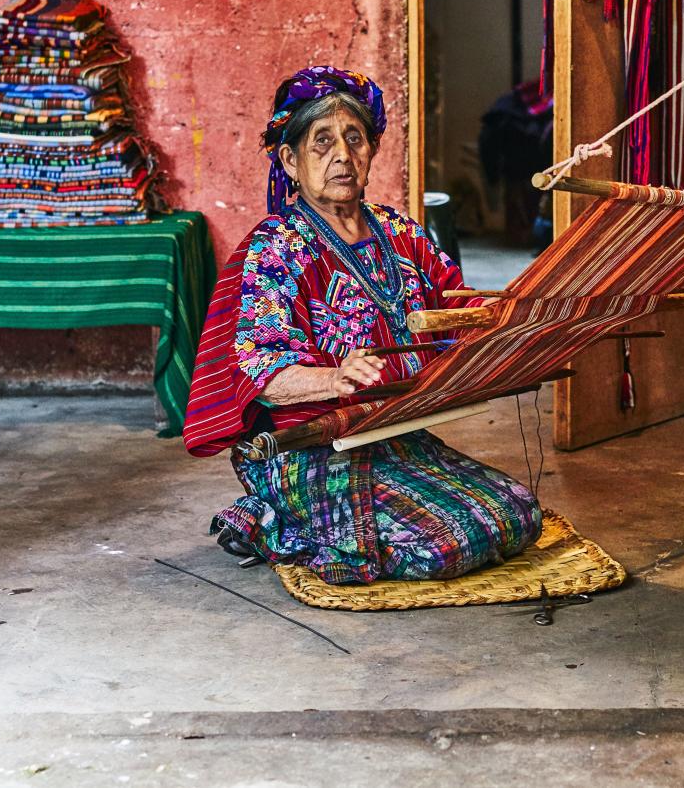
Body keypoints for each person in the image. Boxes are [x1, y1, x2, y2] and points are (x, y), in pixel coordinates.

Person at [183, 65, 542, 585]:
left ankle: (291, 525)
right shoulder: (276, 249)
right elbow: (260, 367)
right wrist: (331, 379)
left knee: (517, 512)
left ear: (372, 150)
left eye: (355, 139)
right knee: (442, 544)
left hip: (395, 435)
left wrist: (521, 323)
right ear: (290, 160)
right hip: (308, 447)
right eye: (321, 142)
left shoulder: (399, 232)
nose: (342, 157)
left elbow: (457, 309)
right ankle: (271, 515)